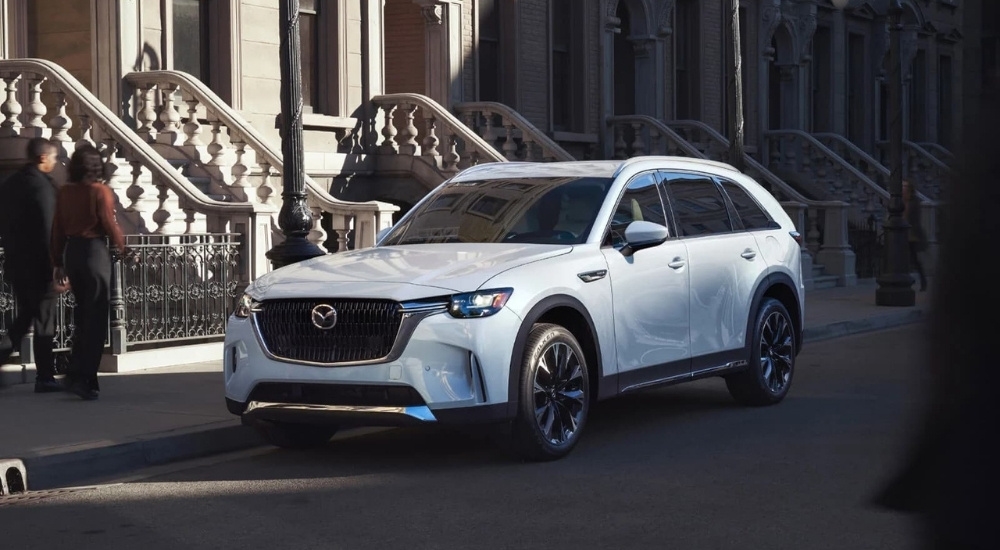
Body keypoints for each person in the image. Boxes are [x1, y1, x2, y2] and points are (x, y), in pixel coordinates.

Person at [50, 144, 125, 401]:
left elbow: (57, 227)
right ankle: (85, 378)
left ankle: (75, 372)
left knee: (82, 315)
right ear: (97, 167)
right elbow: (108, 222)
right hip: (94, 252)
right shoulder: (99, 191)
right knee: (96, 319)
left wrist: (57, 261)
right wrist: (124, 249)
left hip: (72, 252)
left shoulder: (65, 192)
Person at [0, 137, 64, 393]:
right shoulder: (42, 187)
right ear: (42, 158)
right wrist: (57, 265)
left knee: (25, 316)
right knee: (44, 322)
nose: (55, 162)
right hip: (40, 265)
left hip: (16, 262)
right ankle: (45, 376)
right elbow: (48, 230)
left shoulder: (10, 183)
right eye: (53, 158)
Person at [902, 179, 927, 291]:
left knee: (915, 260)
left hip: (912, 235)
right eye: (903, 186)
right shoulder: (901, 200)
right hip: (902, 234)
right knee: (903, 260)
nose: (903, 188)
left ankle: (923, 281)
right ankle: (905, 281)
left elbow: (915, 219)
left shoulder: (914, 201)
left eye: (906, 186)